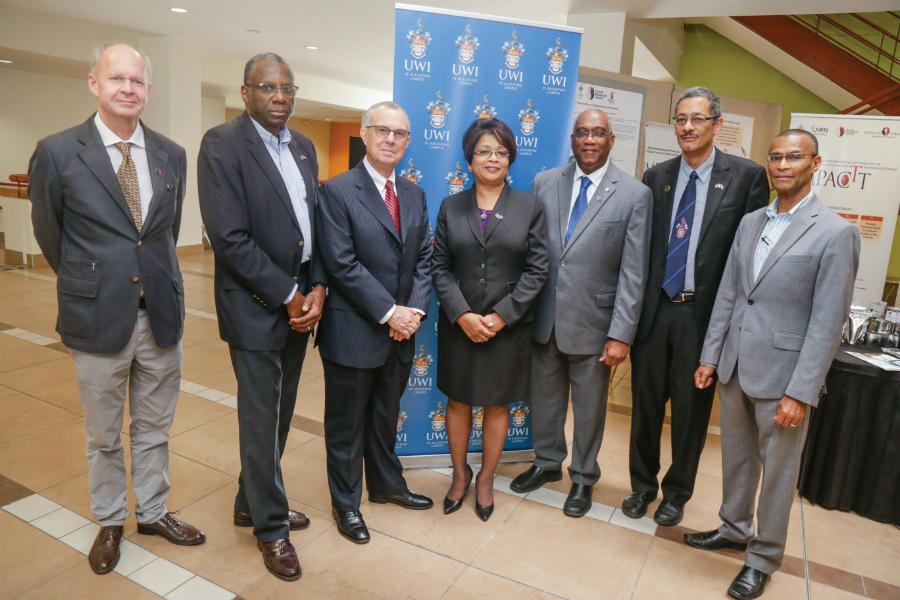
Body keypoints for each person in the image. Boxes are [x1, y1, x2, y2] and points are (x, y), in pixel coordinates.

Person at [29, 43, 204, 575]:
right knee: (103, 434)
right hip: (97, 317)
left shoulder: (171, 153)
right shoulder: (58, 152)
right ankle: (109, 519)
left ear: (147, 90)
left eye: (137, 81)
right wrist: (95, 284)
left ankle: (152, 512)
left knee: (154, 427)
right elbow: (51, 235)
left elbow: (163, 235)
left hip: (162, 317)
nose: (128, 88)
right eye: (117, 79)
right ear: (94, 83)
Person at [686, 130, 859, 600]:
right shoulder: (750, 223)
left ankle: (762, 558)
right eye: (776, 157)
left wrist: (802, 391)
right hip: (736, 365)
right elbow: (730, 294)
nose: (783, 165)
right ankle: (734, 527)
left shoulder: (836, 232)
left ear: (815, 164)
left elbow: (828, 322)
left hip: (784, 377)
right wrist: (710, 356)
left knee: (778, 472)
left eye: (794, 157)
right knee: (737, 461)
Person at [197, 52, 324, 581]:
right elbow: (228, 238)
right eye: (269, 88)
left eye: (288, 88)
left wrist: (316, 284)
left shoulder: (303, 146)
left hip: (300, 301)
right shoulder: (222, 144)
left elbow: (312, 222)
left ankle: (251, 502)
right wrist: (288, 293)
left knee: (282, 409)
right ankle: (271, 529)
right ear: (246, 91)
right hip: (256, 306)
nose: (280, 97)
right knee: (259, 415)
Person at [624, 87, 769, 527]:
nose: (688, 127)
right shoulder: (656, 176)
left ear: (717, 125)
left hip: (702, 318)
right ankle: (642, 487)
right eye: (681, 119)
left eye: (698, 119)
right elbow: (645, 249)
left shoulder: (746, 178)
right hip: (655, 313)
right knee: (646, 407)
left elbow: (749, 259)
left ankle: (677, 492)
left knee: (690, 413)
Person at [510, 109, 650, 518]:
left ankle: (584, 477)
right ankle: (547, 462)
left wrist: (621, 333)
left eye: (599, 133)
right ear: (573, 139)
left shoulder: (633, 194)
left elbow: (634, 271)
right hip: (545, 319)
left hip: (596, 324)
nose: (590, 140)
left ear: (611, 140)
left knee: (589, 409)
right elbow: (533, 253)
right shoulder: (545, 182)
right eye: (583, 133)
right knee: (545, 401)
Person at [317, 101, 434, 543]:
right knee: (346, 425)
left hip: (400, 334)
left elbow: (424, 257)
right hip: (354, 330)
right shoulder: (337, 191)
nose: (390, 139)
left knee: (386, 417)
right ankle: (346, 504)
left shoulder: (414, 194)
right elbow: (341, 264)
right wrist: (391, 312)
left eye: (399, 133)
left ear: (408, 142)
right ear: (364, 135)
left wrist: (414, 312)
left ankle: (386, 486)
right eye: (381, 130)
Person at [433, 118, 549, 521]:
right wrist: (462, 314)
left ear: (510, 158)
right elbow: (440, 267)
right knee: (459, 400)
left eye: (500, 151)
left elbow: (538, 271)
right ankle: (460, 474)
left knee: (498, 405)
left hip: (507, 329)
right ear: (469, 159)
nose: (493, 158)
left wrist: (500, 317)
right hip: (458, 326)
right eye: (484, 151)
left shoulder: (529, 207)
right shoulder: (451, 206)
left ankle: (486, 478)